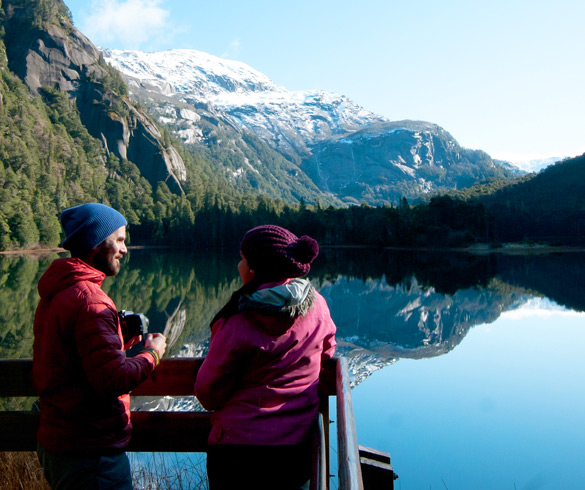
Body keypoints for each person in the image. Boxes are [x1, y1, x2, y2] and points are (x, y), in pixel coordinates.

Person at [33, 203, 167, 490]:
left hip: (61, 442)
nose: (125, 249)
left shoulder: (59, 292)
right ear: (97, 242)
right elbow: (114, 379)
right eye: (118, 239)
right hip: (90, 452)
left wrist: (118, 338)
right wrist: (153, 352)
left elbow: (71, 358)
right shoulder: (90, 301)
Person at [194, 225, 337, 490]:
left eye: (242, 259)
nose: (239, 265)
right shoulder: (318, 306)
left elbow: (208, 393)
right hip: (297, 451)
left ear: (254, 269)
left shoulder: (238, 319)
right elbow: (327, 354)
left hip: (238, 455)